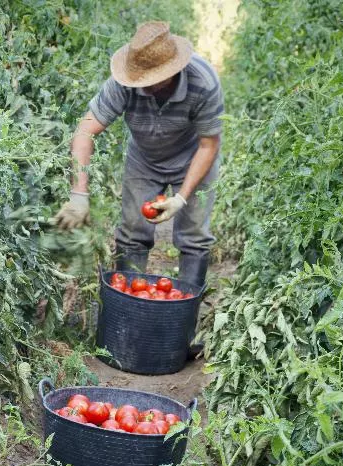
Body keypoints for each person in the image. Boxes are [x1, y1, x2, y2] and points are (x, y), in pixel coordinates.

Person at [54, 21, 223, 289]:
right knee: (132, 233)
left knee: (194, 237)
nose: (145, 85)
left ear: (174, 69)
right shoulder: (125, 82)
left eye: (153, 80)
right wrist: (78, 194)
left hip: (193, 158)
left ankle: (183, 318)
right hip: (144, 160)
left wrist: (180, 198)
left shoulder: (203, 82)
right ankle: (130, 304)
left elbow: (208, 145)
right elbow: (85, 131)